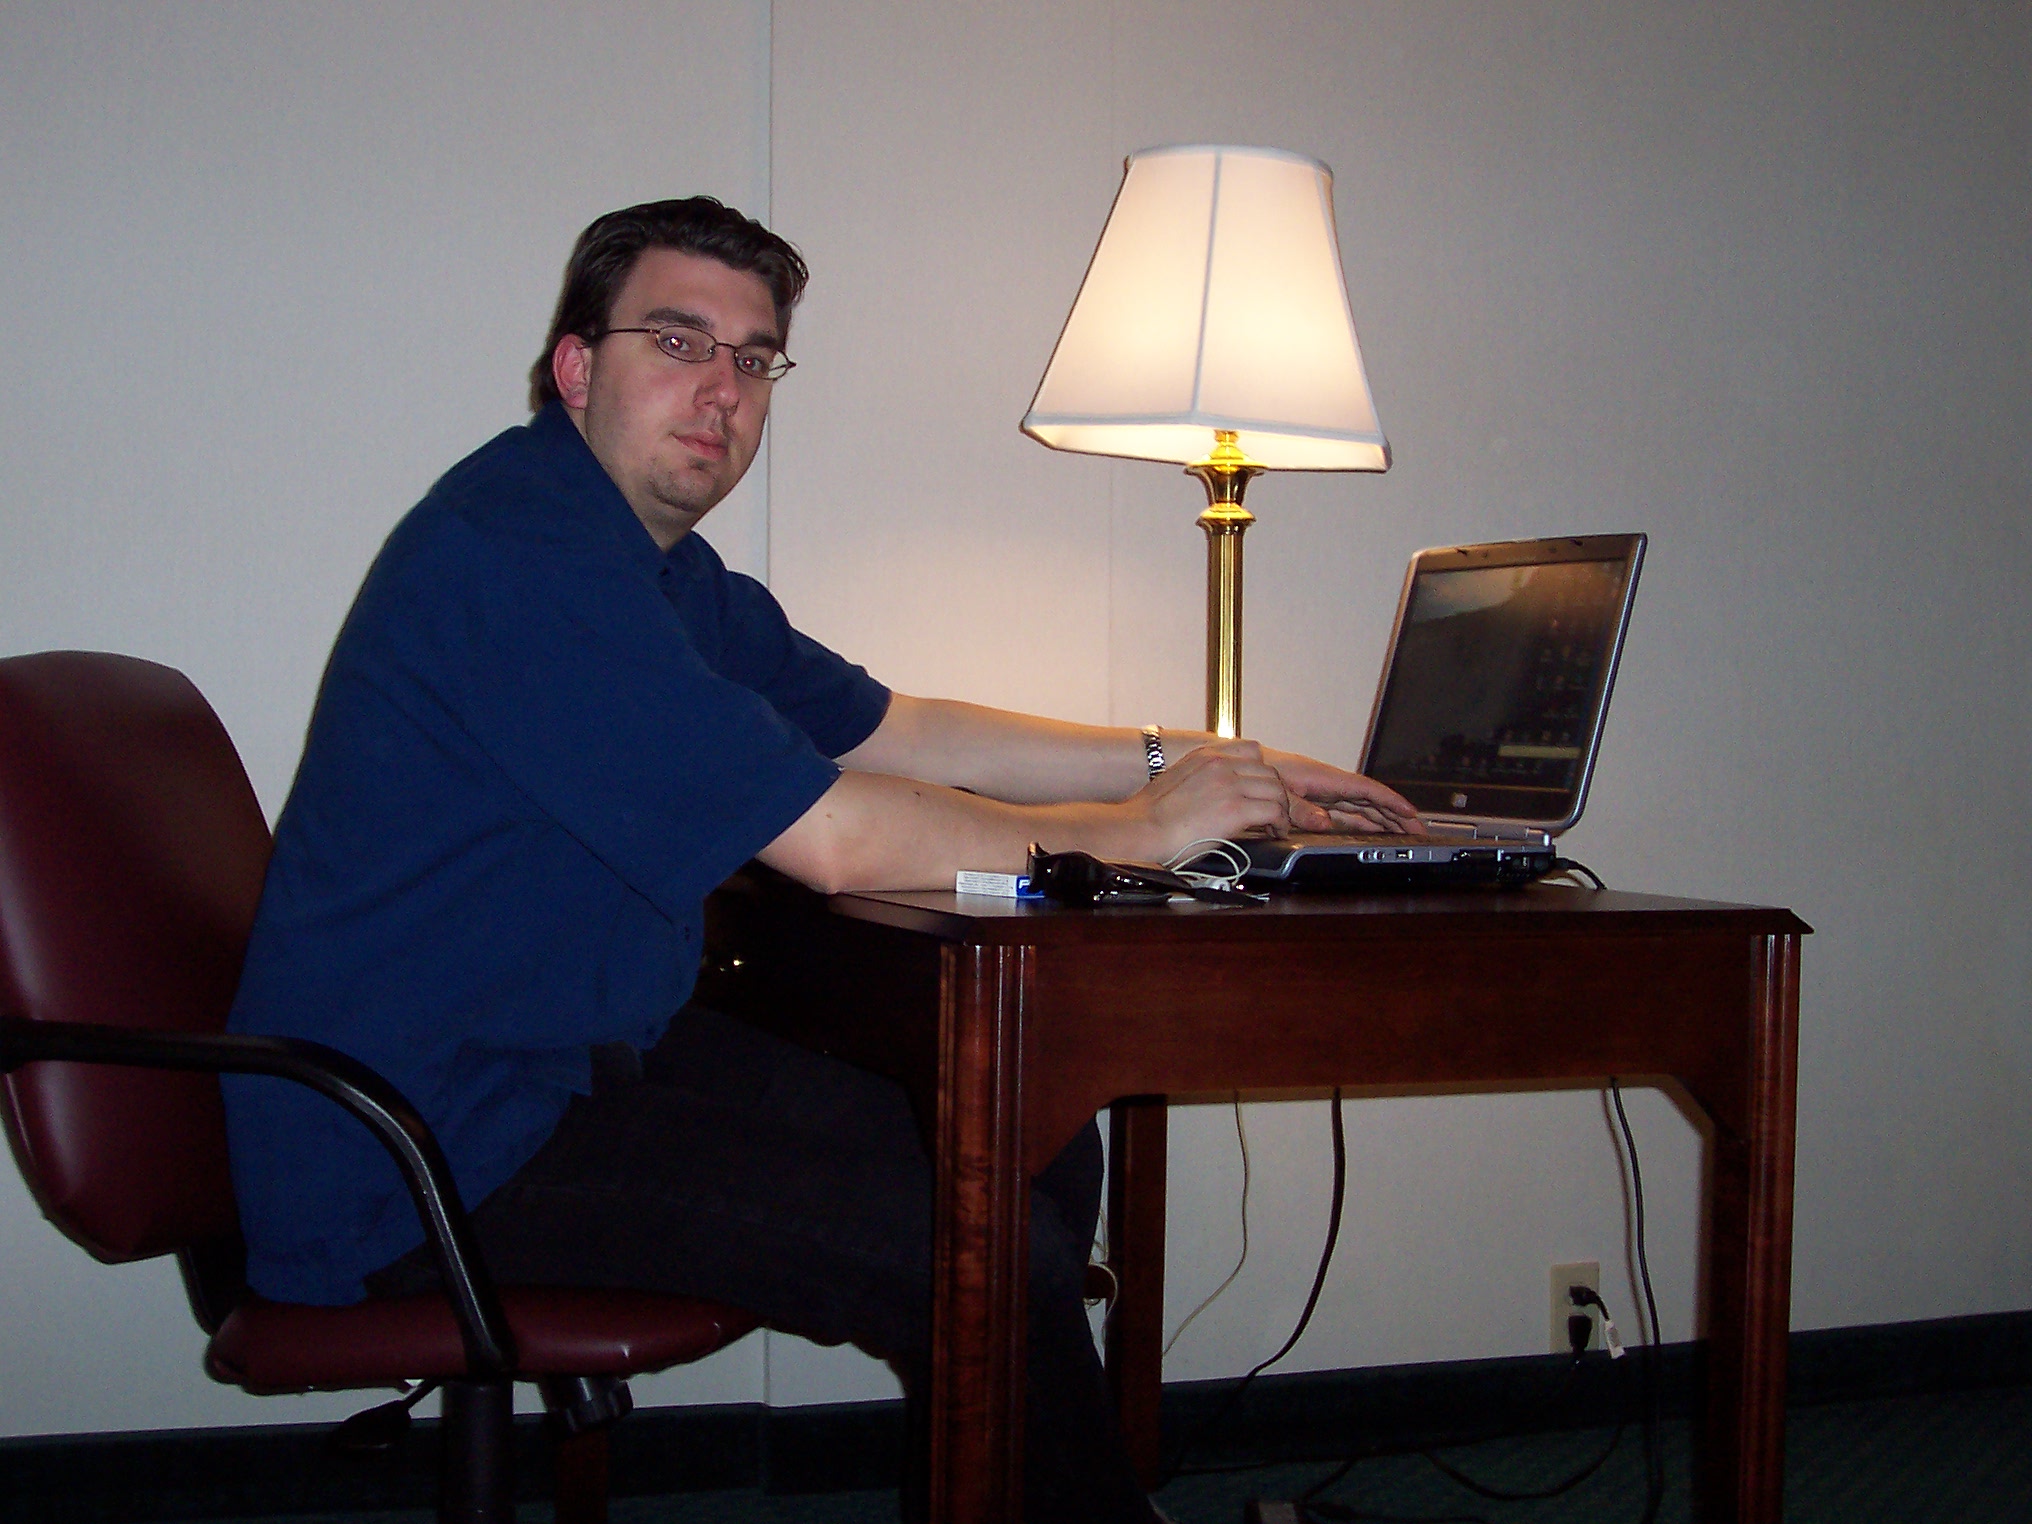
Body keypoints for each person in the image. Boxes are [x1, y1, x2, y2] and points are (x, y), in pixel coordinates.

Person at [223, 197, 1418, 1524]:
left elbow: (899, 727)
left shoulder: (655, 570)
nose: (721, 389)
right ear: (576, 367)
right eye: (677, 341)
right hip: (416, 1149)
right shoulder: (521, 557)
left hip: (546, 1068)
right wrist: (1143, 836)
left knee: (1014, 1118)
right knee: (977, 1237)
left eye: (754, 358)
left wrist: (1201, 757)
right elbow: (839, 842)